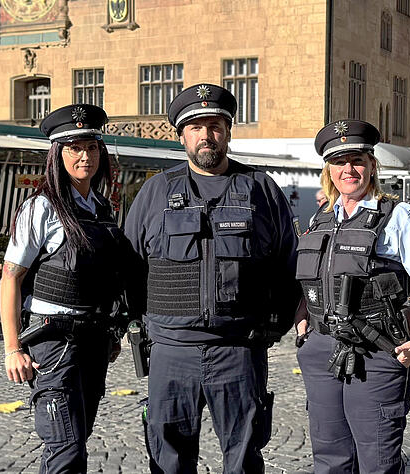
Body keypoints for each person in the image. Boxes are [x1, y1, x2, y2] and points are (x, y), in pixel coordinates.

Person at [123, 83, 301, 473]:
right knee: (168, 459)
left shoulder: (261, 190)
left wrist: (274, 326)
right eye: (196, 127)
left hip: (239, 351)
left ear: (229, 131)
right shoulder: (155, 192)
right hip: (171, 352)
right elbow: (129, 267)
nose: (207, 136)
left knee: (242, 459)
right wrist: (140, 326)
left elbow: (289, 265)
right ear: (181, 135)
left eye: (216, 126)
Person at [294, 119, 410, 474]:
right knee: (329, 455)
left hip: (376, 350)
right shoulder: (320, 219)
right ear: (328, 170)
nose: (349, 169)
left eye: (357, 160)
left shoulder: (399, 216)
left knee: (376, 458)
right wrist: (302, 315)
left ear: (372, 165)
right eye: (339, 162)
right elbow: (312, 276)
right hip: (321, 349)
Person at [0, 104, 129, 473]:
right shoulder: (41, 208)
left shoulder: (101, 208)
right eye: (74, 148)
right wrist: (12, 349)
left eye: (91, 147)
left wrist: (112, 333)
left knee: (75, 440)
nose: (84, 156)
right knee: (66, 447)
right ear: (58, 154)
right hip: (55, 345)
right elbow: (11, 278)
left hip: (93, 343)